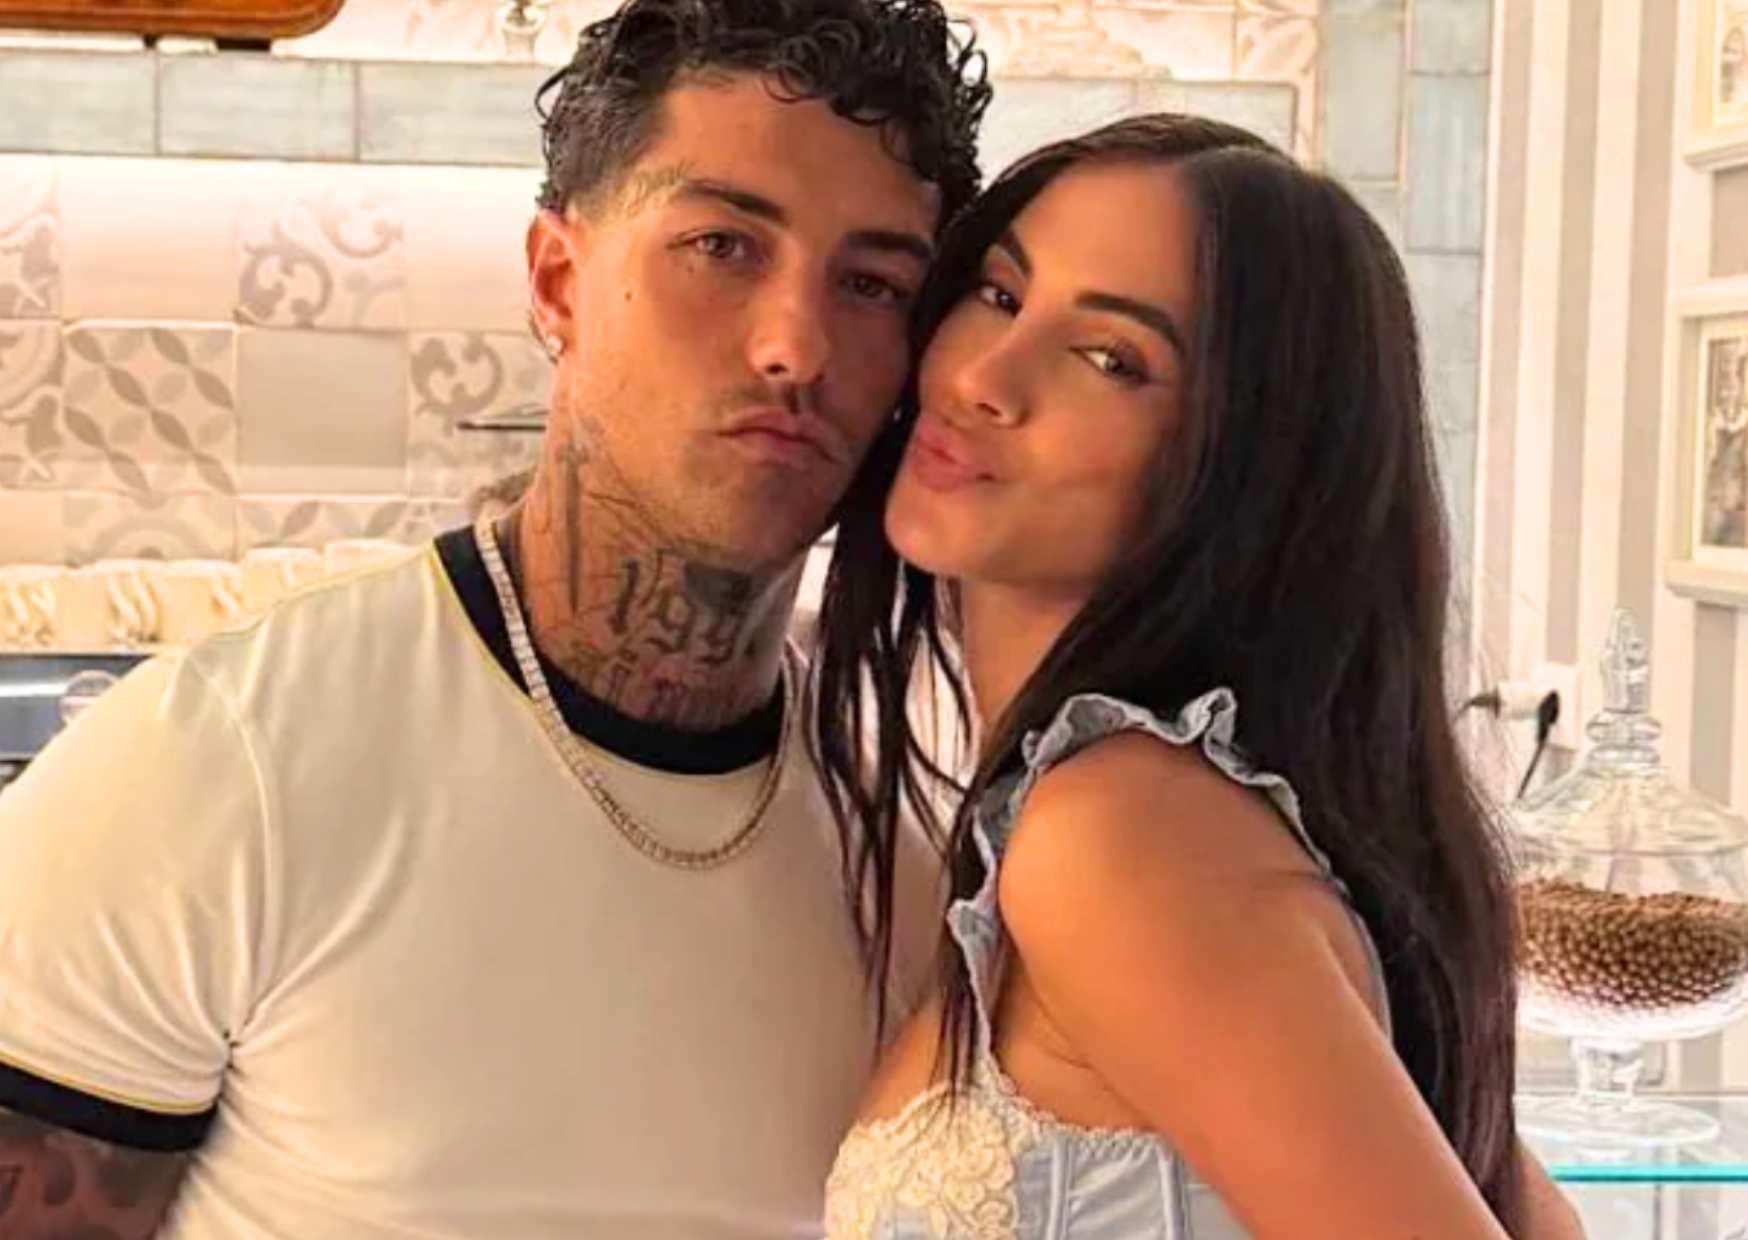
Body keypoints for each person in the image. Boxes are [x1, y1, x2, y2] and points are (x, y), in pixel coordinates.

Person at [0, 1, 988, 1234]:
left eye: (871, 283)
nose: (797, 344)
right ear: (558, 282)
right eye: (721, 246)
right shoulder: (223, 763)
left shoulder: (909, 851)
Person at [808, 116, 1586, 1237]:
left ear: (1245, 460)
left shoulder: (1118, 835)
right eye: (998, 293)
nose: (982, 377)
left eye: (1110, 359)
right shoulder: (1155, 821)